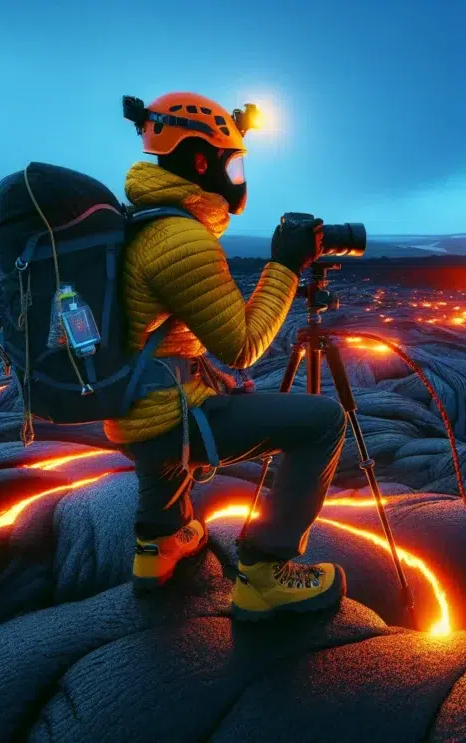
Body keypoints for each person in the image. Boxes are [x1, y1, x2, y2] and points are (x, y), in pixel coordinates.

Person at [106, 91, 348, 620]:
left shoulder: (143, 225)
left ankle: (159, 545)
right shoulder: (178, 236)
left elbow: (162, 340)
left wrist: (208, 377)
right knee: (323, 422)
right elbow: (243, 345)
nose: (237, 177)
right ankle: (267, 571)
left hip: (131, 414)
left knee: (178, 420)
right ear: (201, 161)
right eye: (232, 163)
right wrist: (285, 265)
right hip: (165, 420)